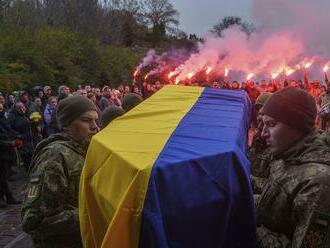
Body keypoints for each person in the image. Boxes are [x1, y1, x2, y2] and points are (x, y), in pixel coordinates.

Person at [21, 95, 99, 247]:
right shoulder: (54, 156)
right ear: (66, 125)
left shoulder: (86, 149)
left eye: (96, 120)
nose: (95, 126)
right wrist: (93, 214)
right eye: (86, 120)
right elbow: (33, 220)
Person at [257, 87, 330, 247]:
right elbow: (277, 196)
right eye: (263, 124)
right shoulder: (288, 154)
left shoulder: (319, 184)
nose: (263, 133)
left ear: (297, 127)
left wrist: (253, 228)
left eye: (271, 124)